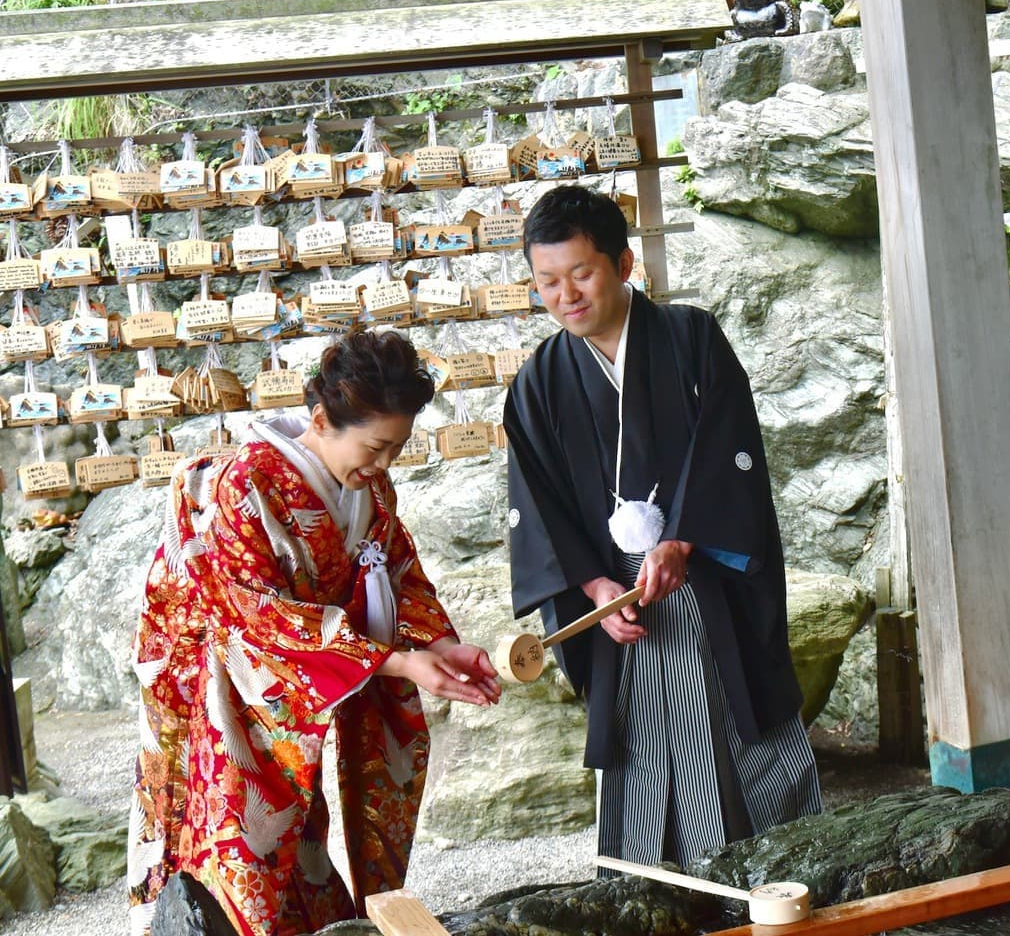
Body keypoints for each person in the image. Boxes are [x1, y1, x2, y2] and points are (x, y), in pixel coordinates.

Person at [128, 331, 501, 936]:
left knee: (301, 831)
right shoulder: (246, 484)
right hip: (236, 681)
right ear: (322, 419)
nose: (383, 465)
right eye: (375, 447)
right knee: (244, 834)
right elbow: (261, 616)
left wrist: (441, 646)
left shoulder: (368, 487)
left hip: (309, 673)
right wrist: (397, 662)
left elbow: (396, 570)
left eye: (395, 449)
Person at [504, 185, 821, 870]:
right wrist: (592, 590)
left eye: (581, 273)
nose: (565, 295)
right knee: (641, 747)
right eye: (547, 281)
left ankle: (780, 874)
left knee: (737, 730)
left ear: (623, 264)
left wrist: (680, 540)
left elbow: (732, 447)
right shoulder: (538, 383)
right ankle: (651, 891)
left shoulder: (690, 338)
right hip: (617, 607)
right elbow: (539, 504)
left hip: (707, 578)